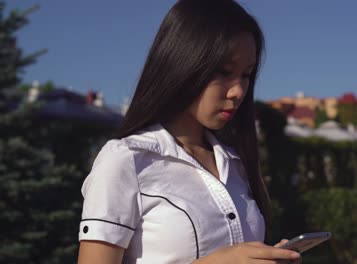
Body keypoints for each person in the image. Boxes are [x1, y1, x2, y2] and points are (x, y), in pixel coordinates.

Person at [77, 0, 301, 263]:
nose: (238, 90)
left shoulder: (236, 164)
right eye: (225, 71)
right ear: (183, 63)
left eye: (246, 74)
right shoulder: (128, 160)